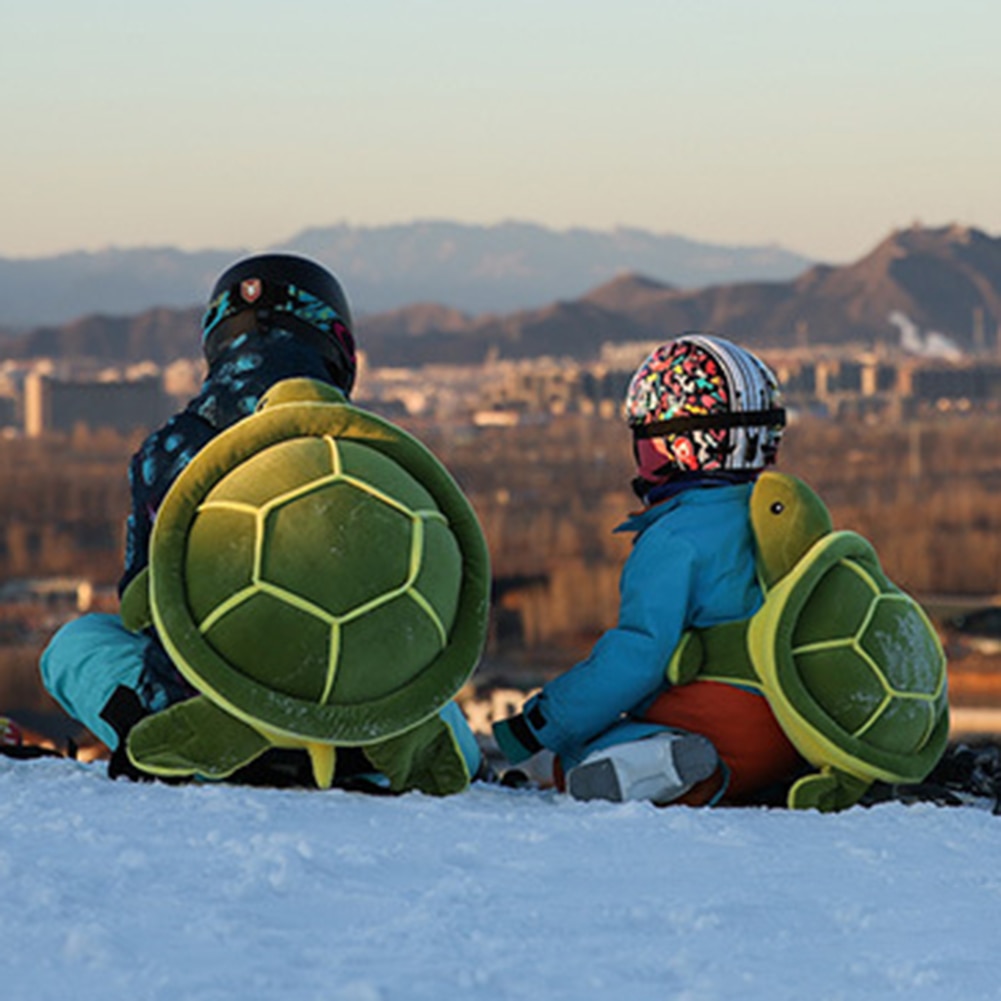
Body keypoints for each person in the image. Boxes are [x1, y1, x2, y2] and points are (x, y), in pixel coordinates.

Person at [40, 253, 482, 786]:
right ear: (338, 346)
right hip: (360, 727)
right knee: (445, 713)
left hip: (210, 710)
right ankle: (361, 756)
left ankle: (160, 737)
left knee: (77, 642)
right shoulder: (370, 447)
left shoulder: (168, 449)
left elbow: (142, 604)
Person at [492, 332, 804, 807]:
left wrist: (543, 721)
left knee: (580, 753)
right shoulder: (783, 519)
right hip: (798, 728)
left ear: (673, 444)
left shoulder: (673, 538)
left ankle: (662, 764)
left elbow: (636, 658)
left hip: (722, 722)